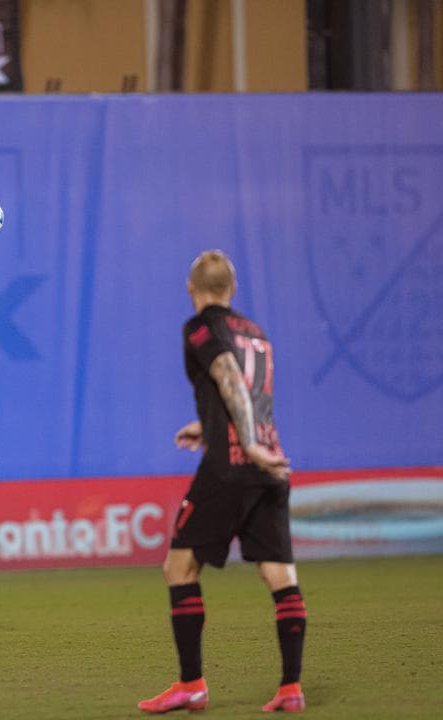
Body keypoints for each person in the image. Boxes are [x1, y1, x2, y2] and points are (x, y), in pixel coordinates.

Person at [137, 251, 304, 714]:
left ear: (191, 290)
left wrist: (242, 443)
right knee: (279, 575)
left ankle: (191, 684)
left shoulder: (199, 328)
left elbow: (228, 377)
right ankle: (291, 687)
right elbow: (251, 392)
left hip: (232, 465)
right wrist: (211, 426)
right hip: (272, 463)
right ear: (232, 289)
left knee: (179, 567)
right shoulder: (257, 333)